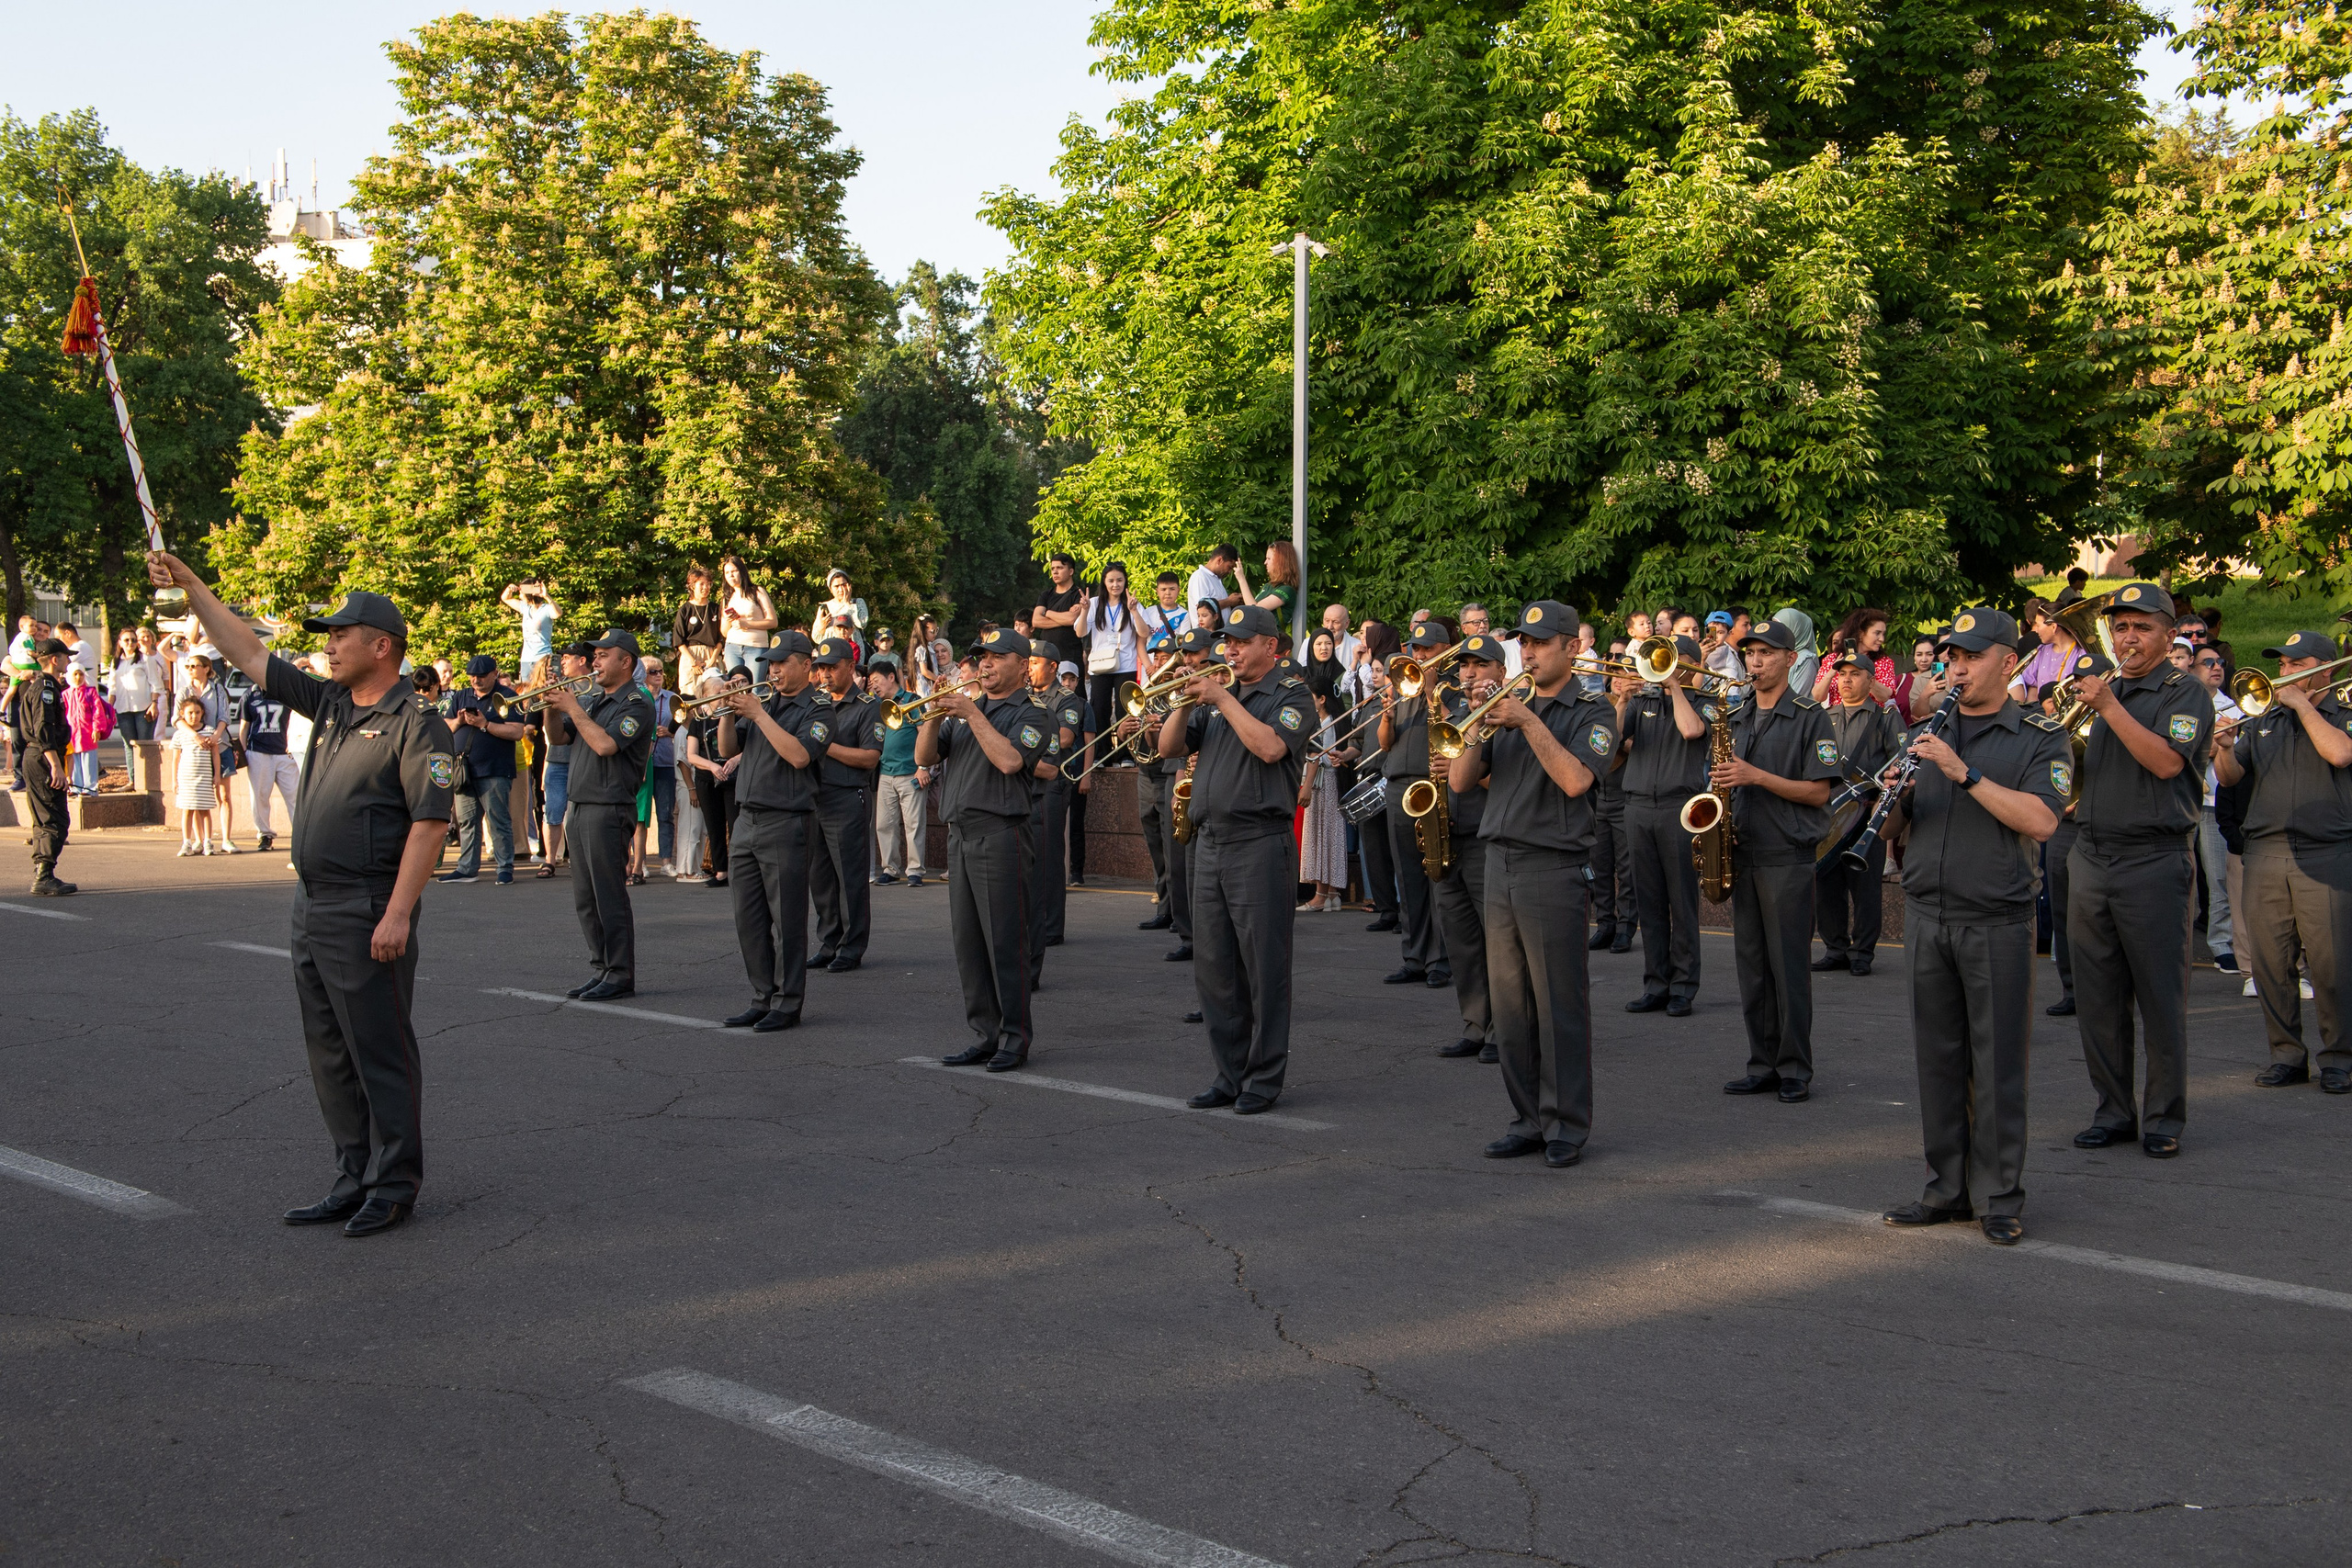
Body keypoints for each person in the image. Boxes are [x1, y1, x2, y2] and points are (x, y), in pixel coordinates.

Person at [149, 552, 454, 1237]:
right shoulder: (334, 702)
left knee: (379, 1048)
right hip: (313, 903)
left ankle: (394, 1184)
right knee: (330, 1051)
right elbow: (248, 651)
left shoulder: (417, 722)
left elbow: (430, 824)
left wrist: (398, 913)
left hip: (368, 904)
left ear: (382, 646)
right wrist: (192, 586)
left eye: (341, 635)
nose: (329, 645)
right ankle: (353, 1174)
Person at [1878, 608, 2068, 1246]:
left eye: (1972, 657)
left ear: (2008, 662)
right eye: (1952, 657)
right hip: (1928, 915)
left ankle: (1999, 1196)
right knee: (1937, 1060)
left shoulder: (2038, 736)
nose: (1956, 668)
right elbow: (1893, 829)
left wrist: (1965, 772)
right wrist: (1891, 793)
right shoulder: (1925, 732)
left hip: (1996, 920)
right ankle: (1946, 1189)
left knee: (1997, 1064)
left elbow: (2042, 820)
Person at [1447, 601, 1618, 1167]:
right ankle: (1527, 1119)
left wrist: (1528, 722)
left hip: (1553, 865)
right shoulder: (1508, 702)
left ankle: (1566, 1123)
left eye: (1541, 643)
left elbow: (1576, 781)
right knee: (1512, 1005)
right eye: (1524, 642)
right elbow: (1460, 781)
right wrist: (1476, 725)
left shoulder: (1593, 711)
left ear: (1572, 647)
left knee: (1557, 1003)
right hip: (1499, 861)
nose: (1529, 652)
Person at [2064, 582, 2211, 1159]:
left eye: (2142, 627)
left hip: (2153, 857)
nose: (2128, 638)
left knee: (2160, 997)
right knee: (2098, 998)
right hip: (2092, 853)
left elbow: (2167, 762)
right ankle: (2113, 1111)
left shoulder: (2184, 692)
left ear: (2169, 635)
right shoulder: (2105, 689)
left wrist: (2107, 706)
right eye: (2120, 627)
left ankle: (2164, 1117)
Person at [1159, 605, 1316, 1113]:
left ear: (1270, 646)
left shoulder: (1290, 695)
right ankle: (1228, 1074)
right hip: (1210, 842)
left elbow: (1270, 749)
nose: (1230, 650)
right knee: (1215, 968)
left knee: (1264, 969)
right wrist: (1183, 702)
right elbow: (1167, 747)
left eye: (1242, 642)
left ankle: (1263, 1079)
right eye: (1228, 641)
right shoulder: (1216, 695)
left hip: (1259, 842)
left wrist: (1223, 699)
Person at [2211, 630, 2352, 1093]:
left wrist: (2303, 707)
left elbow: (2340, 754)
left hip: (2326, 851)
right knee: (2271, 964)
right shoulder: (2264, 718)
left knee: (2331, 965)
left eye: (2297, 664)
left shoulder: (2343, 715)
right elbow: (2231, 778)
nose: (2286, 672)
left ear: (2327, 670)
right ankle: (2286, 1055)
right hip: (2266, 852)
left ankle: (2340, 1059)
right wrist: (2225, 748)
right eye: (2283, 664)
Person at [1717, 617, 1843, 1102]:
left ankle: (1794, 1067)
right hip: (1743, 851)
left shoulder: (1811, 716)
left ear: (1791, 659)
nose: (1756, 662)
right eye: (1750, 653)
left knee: (1788, 967)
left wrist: (1755, 776)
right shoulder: (1737, 713)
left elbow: (1818, 793)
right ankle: (1762, 1063)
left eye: (1766, 653)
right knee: (1752, 966)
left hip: (1787, 854)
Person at [923, 626, 1051, 1071]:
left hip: (1000, 834)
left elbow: (1011, 761)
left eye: (996, 657)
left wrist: (971, 714)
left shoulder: (1033, 713)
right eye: (982, 657)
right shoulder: (967, 709)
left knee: (1005, 943)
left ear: (1022, 664)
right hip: (960, 834)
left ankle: (1014, 1038)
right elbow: (924, 757)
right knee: (970, 945)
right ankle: (985, 1034)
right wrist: (933, 716)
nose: (986, 664)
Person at [717, 630, 823, 1031]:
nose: (774, 670)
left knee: (787, 920)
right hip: (747, 818)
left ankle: (787, 1002)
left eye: (781, 663)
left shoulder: (818, 708)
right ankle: (762, 997)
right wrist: (727, 711)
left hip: (786, 819)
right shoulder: (765, 703)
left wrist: (759, 715)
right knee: (749, 919)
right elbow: (727, 750)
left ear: (806, 665)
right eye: (771, 664)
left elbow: (800, 756)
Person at [547, 630, 656, 1000]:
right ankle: (602, 968)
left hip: (608, 807)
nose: (595, 661)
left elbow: (606, 745)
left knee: (609, 895)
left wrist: (573, 708)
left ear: (626, 662)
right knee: (586, 897)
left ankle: (620, 973)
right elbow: (558, 738)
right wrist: (550, 706)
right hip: (580, 805)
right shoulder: (593, 699)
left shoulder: (637, 703)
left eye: (603, 655)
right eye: (594, 655)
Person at [1613, 634, 1711, 1015]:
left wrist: (1675, 686)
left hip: (1679, 808)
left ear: (1692, 665)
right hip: (1637, 805)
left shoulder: (1706, 703)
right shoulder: (1643, 701)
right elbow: (1612, 743)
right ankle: (1656, 984)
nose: (1660, 665)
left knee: (1681, 901)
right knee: (1649, 900)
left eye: (1671, 659)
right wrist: (1622, 701)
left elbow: (1691, 731)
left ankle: (1683, 986)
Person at [1430, 634, 1510, 1063]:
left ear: (1500, 670)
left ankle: (1504, 1031)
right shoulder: (1457, 714)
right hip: (1448, 834)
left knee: (1497, 943)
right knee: (1461, 942)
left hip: (1485, 836)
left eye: (1480, 664)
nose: (1469, 672)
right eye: (1464, 665)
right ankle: (1476, 1025)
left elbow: (1515, 781)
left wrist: (1463, 770)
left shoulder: (1507, 714)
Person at [1376, 620, 1458, 988]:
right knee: (1407, 876)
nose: (1420, 656)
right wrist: (1387, 716)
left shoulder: (1451, 690)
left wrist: (1430, 692)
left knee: (1437, 876)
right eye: (1417, 649)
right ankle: (1414, 957)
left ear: (1444, 651)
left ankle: (1441, 959)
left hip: (1434, 788)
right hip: (1399, 787)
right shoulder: (1403, 688)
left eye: (1428, 650)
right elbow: (1385, 743)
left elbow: (1455, 735)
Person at [1814, 652, 1899, 974]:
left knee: (1865, 889)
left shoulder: (1885, 717)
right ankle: (1835, 948)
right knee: (1827, 886)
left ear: (1871, 680)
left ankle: (1862, 952)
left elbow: (1900, 761)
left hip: (1866, 814)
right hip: (1830, 814)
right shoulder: (1825, 717)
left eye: (1855, 673)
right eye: (1842, 674)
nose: (1846, 679)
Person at [806, 637, 881, 970]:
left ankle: (852, 946)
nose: (825, 675)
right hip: (815, 797)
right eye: (821, 668)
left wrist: (824, 745)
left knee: (850, 878)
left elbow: (870, 757)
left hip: (847, 798)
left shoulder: (867, 706)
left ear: (851, 667)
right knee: (820, 879)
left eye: (832, 668)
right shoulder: (816, 702)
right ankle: (829, 942)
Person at [1025, 645, 1087, 970]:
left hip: (1052, 780)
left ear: (1052, 667)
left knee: (1049, 855)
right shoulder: (1023, 694)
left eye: (1035, 663)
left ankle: (1051, 927)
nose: (1029, 668)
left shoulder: (1065, 698)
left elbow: (1064, 738)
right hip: (1026, 779)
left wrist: (1026, 740)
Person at [440, 655, 523, 884]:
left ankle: (504, 868)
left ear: (494, 674)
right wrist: (459, 722)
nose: (476, 680)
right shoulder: (462, 695)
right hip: (465, 769)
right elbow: (445, 727)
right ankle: (467, 868)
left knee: (498, 821)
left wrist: (485, 724)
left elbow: (517, 731)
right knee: (467, 821)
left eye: (482, 676)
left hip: (495, 769)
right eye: (472, 676)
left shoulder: (507, 696)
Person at [2192, 646, 2244, 973]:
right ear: (2192, 668)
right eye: (2207, 662)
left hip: (2213, 804)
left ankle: (2222, 944)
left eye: (2219, 662)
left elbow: (2233, 750)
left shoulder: (2234, 707)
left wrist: (2203, 747)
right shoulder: (2181, 702)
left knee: (2218, 877)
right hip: (2182, 801)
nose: (2216, 667)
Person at [13, 639, 74, 892]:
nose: (69, 660)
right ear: (54, 659)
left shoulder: (43, 686)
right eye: (65, 656)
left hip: (38, 755)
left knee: (45, 818)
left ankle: (43, 872)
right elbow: (44, 728)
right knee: (54, 818)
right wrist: (56, 766)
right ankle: (44, 876)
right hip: (43, 757)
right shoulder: (46, 688)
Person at [1297, 665, 1355, 914]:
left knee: (1322, 837)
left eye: (1310, 696)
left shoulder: (1327, 723)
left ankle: (1320, 896)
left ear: (1321, 699)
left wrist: (1307, 785)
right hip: (1329, 784)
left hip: (1322, 784)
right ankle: (1331, 894)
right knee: (1328, 837)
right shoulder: (1330, 721)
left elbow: (1318, 757)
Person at [870, 662, 931, 886]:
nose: (874, 686)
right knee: (884, 824)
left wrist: (923, 767)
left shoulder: (912, 700)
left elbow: (924, 732)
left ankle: (915, 870)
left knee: (914, 824)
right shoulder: (877, 705)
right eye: (871, 682)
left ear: (891, 677)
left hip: (910, 772)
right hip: (885, 773)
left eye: (877, 680)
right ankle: (890, 869)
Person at [536, 643, 591, 876]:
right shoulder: (559, 685)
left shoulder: (595, 687)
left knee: (581, 813)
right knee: (553, 812)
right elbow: (550, 728)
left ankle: (579, 858)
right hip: (557, 758)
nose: (563, 662)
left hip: (583, 758)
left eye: (567, 657)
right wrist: (549, 698)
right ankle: (550, 860)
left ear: (582, 661)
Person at [684, 668, 740, 886]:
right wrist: (712, 766)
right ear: (706, 696)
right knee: (714, 826)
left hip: (731, 777)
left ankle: (737, 870)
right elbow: (691, 755)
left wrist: (734, 760)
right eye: (717, 693)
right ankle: (720, 871)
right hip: (707, 778)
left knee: (735, 825)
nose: (721, 697)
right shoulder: (699, 720)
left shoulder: (734, 715)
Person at [1085, 561, 1144, 765]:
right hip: (1100, 665)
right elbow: (1080, 632)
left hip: (1126, 664)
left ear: (1125, 581)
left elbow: (1144, 632)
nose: (1115, 585)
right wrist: (1084, 610)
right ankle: (1102, 754)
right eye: (1111, 580)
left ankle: (1126, 754)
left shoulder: (1132, 603)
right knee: (1099, 709)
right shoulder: (1094, 603)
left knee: (1125, 711)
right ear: (1104, 582)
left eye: (1119, 580)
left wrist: (1134, 611)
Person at [241, 660, 300, 853]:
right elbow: (244, 726)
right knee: (259, 795)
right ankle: (264, 834)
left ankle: (300, 834)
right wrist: (242, 751)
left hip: (284, 751)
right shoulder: (250, 694)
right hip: (258, 750)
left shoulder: (285, 692)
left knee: (294, 794)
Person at [633, 660, 677, 883]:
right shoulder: (637, 696)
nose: (658, 675)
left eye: (661, 671)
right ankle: (639, 863)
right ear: (644, 674)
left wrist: (669, 732)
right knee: (638, 816)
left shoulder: (672, 698)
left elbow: (682, 727)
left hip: (665, 761)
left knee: (665, 814)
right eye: (653, 671)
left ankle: (666, 862)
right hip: (645, 763)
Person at [170, 694, 221, 855]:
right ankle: (187, 842)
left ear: (202, 713)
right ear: (182, 714)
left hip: (204, 777)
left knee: (205, 810)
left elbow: (215, 754)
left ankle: (208, 842)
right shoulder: (180, 734)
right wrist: (174, 780)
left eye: (197, 712)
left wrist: (217, 775)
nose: (194, 716)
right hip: (186, 778)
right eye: (190, 713)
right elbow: (175, 758)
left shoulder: (209, 731)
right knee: (187, 810)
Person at [718, 555, 778, 682]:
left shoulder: (757, 591)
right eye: (727, 573)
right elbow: (724, 632)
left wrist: (746, 623)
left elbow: (773, 621)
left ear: (742, 571)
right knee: (736, 687)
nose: (731, 575)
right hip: (732, 647)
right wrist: (728, 620)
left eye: (734, 571)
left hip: (756, 647)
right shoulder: (726, 598)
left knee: (755, 687)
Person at [2010, 600, 2080, 705]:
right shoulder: (2041, 651)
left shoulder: (2081, 653)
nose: (2036, 630)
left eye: (2038, 625)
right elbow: (2033, 689)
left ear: (2053, 627)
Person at [108, 628, 158, 772]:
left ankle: (148, 778)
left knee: (144, 744)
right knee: (129, 745)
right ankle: (133, 778)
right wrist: (109, 708)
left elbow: (155, 684)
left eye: (133, 640)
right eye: (127, 640)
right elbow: (112, 687)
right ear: (120, 643)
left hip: (143, 708)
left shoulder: (145, 659)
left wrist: (154, 704)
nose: (130, 643)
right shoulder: (116, 662)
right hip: (123, 709)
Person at [1033, 553, 1089, 673]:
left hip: (1071, 656)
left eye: (1060, 568)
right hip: (1047, 657)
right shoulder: (1046, 595)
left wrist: (1047, 613)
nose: (1055, 572)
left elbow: (1071, 619)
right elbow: (1036, 621)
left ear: (1071, 571)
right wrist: (1064, 619)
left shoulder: (1079, 594)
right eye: (1053, 568)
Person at [673, 564, 724, 693]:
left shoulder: (715, 609)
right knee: (690, 693)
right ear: (692, 586)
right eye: (701, 584)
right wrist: (693, 661)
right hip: (690, 654)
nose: (705, 587)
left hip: (711, 654)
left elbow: (721, 637)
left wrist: (713, 659)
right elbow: (678, 640)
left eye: (708, 584)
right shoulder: (685, 610)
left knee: (715, 693)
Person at [62, 665, 110, 795]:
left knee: (89, 761)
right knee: (74, 761)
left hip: (88, 733)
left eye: (81, 674)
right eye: (75, 674)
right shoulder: (66, 694)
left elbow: (97, 711)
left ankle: (90, 788)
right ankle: (76, 787)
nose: (78, 677)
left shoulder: (90, 692)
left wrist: (97, 729)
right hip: (72, 734)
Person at [502, 579, 560, 682]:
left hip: (543, 659)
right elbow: (505, 598)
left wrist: (546, 596)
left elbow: (558, 613)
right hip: (526, 660)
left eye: (522, 590)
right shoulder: (525, 608)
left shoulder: (546, 609)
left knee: (546, 689)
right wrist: (509, 588)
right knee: (527, 691)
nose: (520, 594)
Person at [1892, 635, 1951, 724]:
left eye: (1929, 654)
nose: (1924, 659)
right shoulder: (1906, 679)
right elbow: (1917, 715)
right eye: (1919, 654)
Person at [808, 568, 870, 653]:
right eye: (836, 586)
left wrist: (848, 604)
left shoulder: (857, 602)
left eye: (844, 585)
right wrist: (822, 626)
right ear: (830, 589)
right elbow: (816, 638)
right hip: (831, 652)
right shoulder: (825, 606)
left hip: (854, 652)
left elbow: (862, 624)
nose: (841, 590)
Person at [1773, 608, 1820, 708]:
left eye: (1781, 629)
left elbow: (1796, 697)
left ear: (1795, 630)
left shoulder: (1805, 660)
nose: (1775, 633)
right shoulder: (1780, 655)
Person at [1251, 540, 1300, 626]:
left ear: (1280, 561)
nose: (1265, 562)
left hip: (1272, 634)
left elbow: (1254, 610)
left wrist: (1241, 579)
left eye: (1269, 559)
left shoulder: (1287, 589)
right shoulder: (1268, 586)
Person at [1188, 544, 1241, 620]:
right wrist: (1229, 601)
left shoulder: (1215, 579)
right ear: (1219, 560)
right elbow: (1202, 608)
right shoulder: (1200, 576)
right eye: (1230, 567)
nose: (1230, 572)